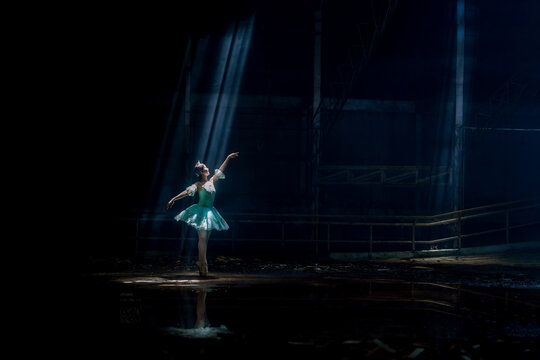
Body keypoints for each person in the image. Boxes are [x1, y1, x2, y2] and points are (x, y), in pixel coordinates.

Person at [167, 152, 239, 276]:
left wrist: (228, 158)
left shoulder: (212, 180)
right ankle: (204, 263)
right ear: (201, 172)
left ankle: (201, 263)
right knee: (202, 238)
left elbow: (221, 169)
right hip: (200, 211)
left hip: (210, 212)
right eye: (205, 167)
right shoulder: (198, 185)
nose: (208, 168)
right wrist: (173, 198)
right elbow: (186, 192)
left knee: (205, 240)